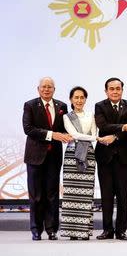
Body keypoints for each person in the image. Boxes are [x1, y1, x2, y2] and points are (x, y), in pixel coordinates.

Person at [22, 77, 72, 241]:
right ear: (38, 89)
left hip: (54, 157)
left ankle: (52, 229)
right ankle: (36, 229)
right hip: (35, 156)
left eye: (50, 87)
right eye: (44, 87)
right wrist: (52, 135)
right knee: (36, 195)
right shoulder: (30, 105)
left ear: (54, 90)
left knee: (52, 194)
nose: (46, 89)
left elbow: (65, 128)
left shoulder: (61, 106)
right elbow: (28, 129)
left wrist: (71, 135)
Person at [60, 86, 110, 240]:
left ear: (85, 99)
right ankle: (72, 232)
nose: (79, 100)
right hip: (72, 155)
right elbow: (73, 135)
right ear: (71, 100)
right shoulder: (67, 117)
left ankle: (84, 231)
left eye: (82, 97)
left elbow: (95, 133)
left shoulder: (91, 115)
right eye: (76, 97)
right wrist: (94, 138)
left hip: (88, 154)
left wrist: (93, 138)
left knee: (86, 194)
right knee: (71, 193)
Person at [95, 77, 127, 241]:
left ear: (122, 90)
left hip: (124, 156)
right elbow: (103, 126)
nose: (115, 91)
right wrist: (122, 127)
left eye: (118, 88)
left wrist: (115, 136)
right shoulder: (100, 106)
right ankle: (107, 230)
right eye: (111, 88)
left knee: (122, 195)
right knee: (106, 196)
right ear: (106, 91)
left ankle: (121, 230)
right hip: (105, 156)